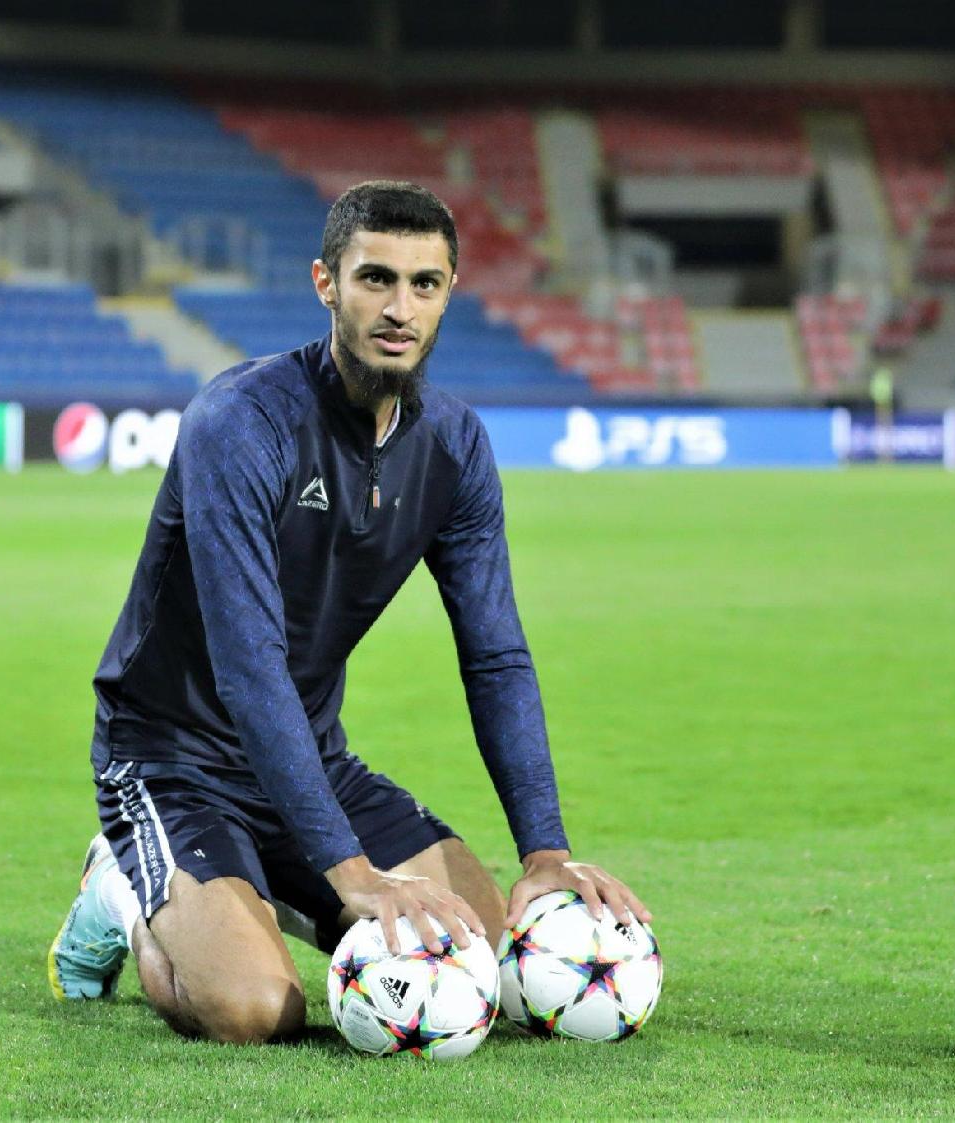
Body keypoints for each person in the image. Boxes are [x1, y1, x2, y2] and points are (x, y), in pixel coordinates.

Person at [48, 180, 651, 1045]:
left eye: (424, 284)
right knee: (253, 1010)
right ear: (326, 283)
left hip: (310, 759)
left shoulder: (453, 445)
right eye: (375, 279)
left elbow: (494, 655)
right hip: (173, 761)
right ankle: (119, 885)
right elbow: (249, 666)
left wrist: (544, 851)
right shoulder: (242, 421)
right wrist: (349, 869)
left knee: (483, 953)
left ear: (448, 293)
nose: (399, 308)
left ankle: (264, 887)